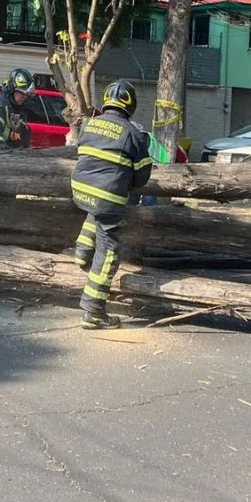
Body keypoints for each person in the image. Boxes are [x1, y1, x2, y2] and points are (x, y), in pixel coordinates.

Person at [70, 79, 152, 330]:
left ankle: (82, 251)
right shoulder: (134, 134)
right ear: (131, 105)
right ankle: (93, 311)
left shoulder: (89, 124)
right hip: (108, 198)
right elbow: (142, 177)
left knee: (97, 210)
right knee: (109, 253)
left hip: (80, 191)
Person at [0, 68, 36, 153]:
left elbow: (18, 130)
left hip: (12, 155)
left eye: (27, 94)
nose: (25, 97)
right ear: (13, 90)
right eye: (23, 93)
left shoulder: (19, 107)